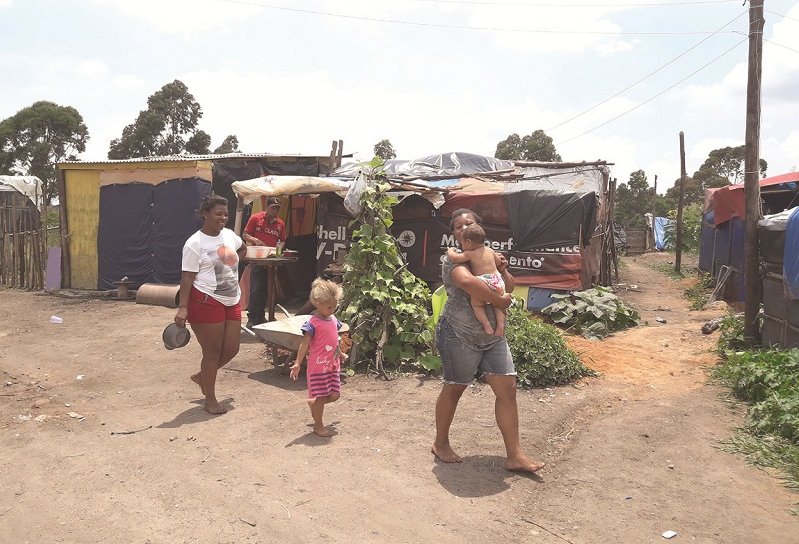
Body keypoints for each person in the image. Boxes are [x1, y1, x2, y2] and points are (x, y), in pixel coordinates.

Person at [432, 208, 545, 473]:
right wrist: (500, 300)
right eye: (457, 226)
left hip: (493, 336)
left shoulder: (491, 255)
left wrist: (503, 271)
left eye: (468, 223)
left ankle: (515, 455)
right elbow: (467, 283)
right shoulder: (454, 260)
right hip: (459, 333)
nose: (463, 228)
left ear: (478, 227)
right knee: (455, 387)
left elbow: (509, 284)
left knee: (507, 389)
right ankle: (441, 443)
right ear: (454, 234)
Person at [175, 194, 246, 415]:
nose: (223, 218)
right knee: (212, 351)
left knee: (232, 348)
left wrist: (232, 260)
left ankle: (202, 376)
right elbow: (187, 278)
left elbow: (242, 249)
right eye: (218, 214)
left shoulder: (229, 236)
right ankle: (210, 399)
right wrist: (183, 307)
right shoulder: (194, 243)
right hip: (206, 300)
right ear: (205, 214)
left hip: (232, 298)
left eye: (226, 214)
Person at [290, 279, 344, 437]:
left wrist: (339, 353)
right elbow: (304, 344)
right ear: (317, 303)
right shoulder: (313, 323)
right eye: (329, 307)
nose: (333, 309)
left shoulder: (333, 320)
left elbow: (334, 339)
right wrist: (297, 363)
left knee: (334, 395)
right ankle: (318, 425)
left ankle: (314, 404)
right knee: (321, 396)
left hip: (333, 365)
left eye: (335, 306)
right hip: (318, 367)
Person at [446, 223, 507, 336]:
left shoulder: (470, 253)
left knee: (477, 305)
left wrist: (450, 251)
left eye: (463, 243)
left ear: (468, 242)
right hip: (498, 281)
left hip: (485, 281)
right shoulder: (490, 251)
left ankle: (486, 324)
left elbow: (455, 259)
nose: (462, 246)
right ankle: (500, 327)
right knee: (498, 305)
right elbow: (499, 264)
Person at [243, 196, 286, 327]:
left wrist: (279, 248)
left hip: (271, 259)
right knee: (256, 288)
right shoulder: (255, 218)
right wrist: (256, 240)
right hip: (257, 258)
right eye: (273, 208)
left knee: (267, 290)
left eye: (277, 209)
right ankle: (252, 317)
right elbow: (245, 235)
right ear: (267, 207)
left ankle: (262, 316)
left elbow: (283, 240)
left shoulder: (280, 224)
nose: (275, 211)